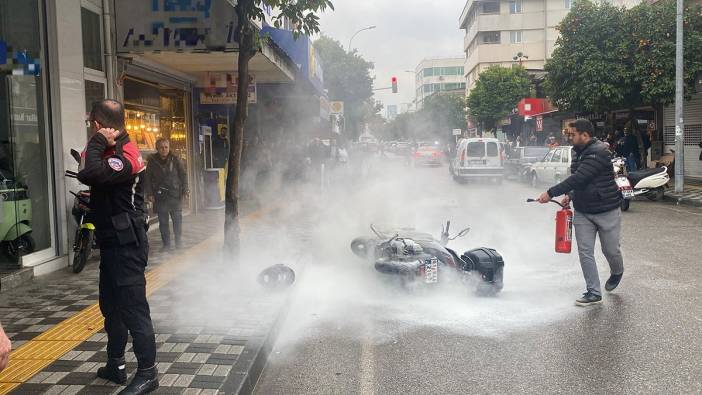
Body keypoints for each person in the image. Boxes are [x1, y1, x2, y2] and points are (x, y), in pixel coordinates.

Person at [78, 99, 158, 394]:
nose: (90, 130)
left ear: (98, 125)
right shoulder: (110, 150)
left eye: (92, 126)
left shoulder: (126, 153)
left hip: (128, 245)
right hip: (112, 243)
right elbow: (89, 167)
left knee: (134, 308)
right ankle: (116, 364)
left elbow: (90, 173)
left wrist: (98, 141)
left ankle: (149, 373)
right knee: (110, 306)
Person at [537, 119, 624, 307]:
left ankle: (617, 271)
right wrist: (569, 195)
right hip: (583, 211)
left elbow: (580, 177)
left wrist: (550, 193)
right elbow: (578, 182)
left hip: (606, 209)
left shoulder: (600, 152)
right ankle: (594, 292)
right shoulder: (577, 152)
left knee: (610, 250)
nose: (569, 137)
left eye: (572, 134)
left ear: (585, 135)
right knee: (585, 251)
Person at [146, 138, 188, 251]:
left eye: (166, 147)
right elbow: (148, 179)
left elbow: (183, 175)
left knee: (177, 221)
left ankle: (178, 242)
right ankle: (166, 245)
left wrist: (185, 190)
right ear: (157, 148)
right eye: (161, 147)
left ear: (169, 148)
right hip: (160, 196)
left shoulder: (175, 159)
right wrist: (149, 193)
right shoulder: (152, 161)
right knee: (163, 223)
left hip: (175, 194)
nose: (164, 149)